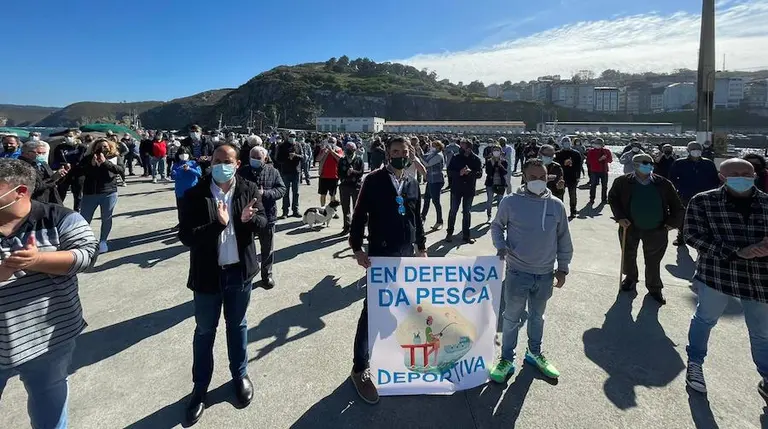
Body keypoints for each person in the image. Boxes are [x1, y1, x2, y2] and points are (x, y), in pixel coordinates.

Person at [0, 159, 98, 429]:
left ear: (20, 191)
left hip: (47, 338)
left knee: (49, 410)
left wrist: (37, 260)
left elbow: (87, 256)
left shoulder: (59, 217)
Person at [177, 144, 267, 425]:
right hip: (206, 277)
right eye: (216, 160)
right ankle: (200, 388)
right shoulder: (194, 194)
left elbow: (265, 223)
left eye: (226, 161)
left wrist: (250, 221)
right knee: (204, 331)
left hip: (239, 274)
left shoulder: (249, 189)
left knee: (237, 325)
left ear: (237, 164)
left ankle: (239, 375)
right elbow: (187, 237)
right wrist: (219, 224)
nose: (220, 165)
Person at [349, 136, 427, 405]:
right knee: (372, 312)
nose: (400, 155)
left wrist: (422, 245)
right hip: (381, 256)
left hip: (406, 255)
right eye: (395, 151)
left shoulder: (412, 181)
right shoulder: (373, 180)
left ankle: (390, 354)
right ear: (387, 154)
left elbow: (417, 216)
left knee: (401, 307)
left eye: (405, 151)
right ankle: (359, 368)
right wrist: (357, 248)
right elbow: (359, 215)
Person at [682, 158, 768, 400]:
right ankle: (695, 363)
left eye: (747, 173)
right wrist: (734, 251)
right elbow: (692, 235)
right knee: (705, 319)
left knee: (761, 331)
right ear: (722, 177)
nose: (742, 177)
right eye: (735, 173)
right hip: (718, 274)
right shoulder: (704, 201)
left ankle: (767, 376)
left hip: (760, 279)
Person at [489, 158, 573, 383]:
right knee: (511, 318)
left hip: (545, 274)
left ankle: (534, 353)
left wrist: (563, 268)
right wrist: (500, 245)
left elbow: (564, 239)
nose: (538, 181)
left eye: (543, 177)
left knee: (537, 317)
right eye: (533, 177)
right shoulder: (510, 202)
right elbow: (497, 225)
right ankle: (506, 358)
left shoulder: (556, 205)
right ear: (524, 177)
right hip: (517, 272)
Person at [607, 153, 684, 305]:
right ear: (635, 164)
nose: (648, 165)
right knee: (628, 255)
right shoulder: (622, 181)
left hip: (656, 228)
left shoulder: (663, 183)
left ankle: (654, 288)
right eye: (644, 162)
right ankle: (630, 279)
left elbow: (677, 206)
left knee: (653, 260)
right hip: (630, 227)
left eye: (650, 163)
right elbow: (613, 199)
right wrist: (620, 217)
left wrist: (671, 223)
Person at [238, 145, 286, 289]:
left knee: (267, 248)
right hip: (247, 217)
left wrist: (265, 193)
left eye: (258, 158)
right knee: (245, 247)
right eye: (253, 157)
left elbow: (281, 189)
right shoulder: (242, 171)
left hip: (268, 215)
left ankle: (267, 275)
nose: (255, 160)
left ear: (265, 158)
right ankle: (246, 274)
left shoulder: (273, 171)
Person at [69, 138, 124, 254]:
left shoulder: (114, 157)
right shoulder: (88, 158)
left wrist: (105, 163)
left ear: (110, 147)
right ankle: (81, 240)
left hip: (109, 192)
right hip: (90, 193)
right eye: (99, 147)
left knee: (106, 217)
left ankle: (103, 241)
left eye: (105, 146)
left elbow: (120, 170)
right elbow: (77, 172)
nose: (102, 149)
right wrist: (91, 165)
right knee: (85, 218)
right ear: (94, 148)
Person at [668, 141, 720, 246]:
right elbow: (672, 178)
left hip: (705, 195)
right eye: (693, 149)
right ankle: (681, 237)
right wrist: (679, 188)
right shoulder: (680, 163)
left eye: (698, 149)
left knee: (706, 217)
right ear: (688, 151)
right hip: (685, 194)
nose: (696, 151)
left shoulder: (708, 163)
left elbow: (715, 179)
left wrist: (712, 191)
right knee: (684, 216)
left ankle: (706, 238)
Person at [446, 139, 482, 244]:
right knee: (453, 211)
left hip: (469, 190)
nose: (460, 148)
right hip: (456, 188)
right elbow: (449, 172)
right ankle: (449, 233)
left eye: (462, 146)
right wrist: (459, 173)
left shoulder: (476, 159)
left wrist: (471, 173)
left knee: (466, 213)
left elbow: (479, 174)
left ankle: (466, 236)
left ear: (469, 148)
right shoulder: (456, 157)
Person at [18, 140, 65, 204]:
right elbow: (33, 187)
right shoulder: (21, 166)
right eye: (39, 153)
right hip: (35, 203)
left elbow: (53, 182)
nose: (42, 155)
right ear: (26, 153)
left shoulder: (42, 163)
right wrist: (52, 179)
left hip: (51, 201)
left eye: (44, 153)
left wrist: (60, 175)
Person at [53, 130, 87, 211]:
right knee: (61, 192)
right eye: (66, 136)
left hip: (78, 173)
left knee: (78, 194)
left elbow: (82, 160)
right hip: (65, 173)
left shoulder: (82, 147)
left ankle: (77, 210)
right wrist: (64, 164)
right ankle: (59, 209)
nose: (68, 138)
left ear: (75, 136)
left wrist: (74, 165)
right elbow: (57, 159)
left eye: (70, 136)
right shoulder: (60, 147)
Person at [171, 147, 203, 229]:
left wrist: (190, 169)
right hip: (180, 191)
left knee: (193, 209)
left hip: (192, 190)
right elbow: (173, 177)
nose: (183, 155)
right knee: (181, 209)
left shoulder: (194, 163)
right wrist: (176, 173)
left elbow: (199, 174)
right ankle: (182, 224)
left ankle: (193, 224)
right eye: (181, 154)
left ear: (189, 154)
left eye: (185, 153)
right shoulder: (176, 164)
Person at [337, 142, 364, 235]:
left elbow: (361, 172)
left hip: (356, 186)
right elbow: (339, 173)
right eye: (347, 149)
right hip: (344, 186)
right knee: (345, 208)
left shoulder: (359, 159)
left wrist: (353, 172)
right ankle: (346, 227)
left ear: (354, 150)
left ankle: (358, 229)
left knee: (357, 209)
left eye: (351, 149)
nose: (348, 151)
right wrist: (346, 175)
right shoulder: (342, 160)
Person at [275, 132, 304, 218]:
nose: (292, 138)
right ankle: (285, 211)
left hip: (296, 171)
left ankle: (295, 210)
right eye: (290, 136)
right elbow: (278, 159)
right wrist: (288, 157)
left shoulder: (298, 145)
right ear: (287, 137)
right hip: (285, 172)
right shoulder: (282, 146)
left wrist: (295, 156)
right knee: (285, 192)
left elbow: (303, 157)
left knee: (296, 192)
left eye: (294, 136)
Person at [554, 137, 584, 218]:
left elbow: (579, 166)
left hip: (572, 177)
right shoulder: (558, 154)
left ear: (570, 143)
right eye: (564, 142)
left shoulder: (576, 153)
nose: (566, 143)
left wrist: (578, 176)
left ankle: (573, 211)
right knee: (560, 195)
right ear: (561, 143)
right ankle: (560, 211)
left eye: (568, 142)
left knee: (572, 195)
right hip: (561, 177)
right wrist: (563, 164)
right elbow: (555, 165)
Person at [420, 140, 445, 230]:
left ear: (439, 146)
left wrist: (419, 155)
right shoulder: (432, 153)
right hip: (430, 179)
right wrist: (420, 152)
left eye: (434, 145)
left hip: (436, 181)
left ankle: (439, 221)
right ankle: (422, 217)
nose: (432, 147)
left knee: (436, 201)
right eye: (432, 145)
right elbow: (424, 157)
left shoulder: (439, 155)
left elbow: (427, 163)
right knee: (426, 199)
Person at [315, 136, 343, 216]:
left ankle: (333, 210)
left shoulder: (338, 150)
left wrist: (332, 151)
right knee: (323, 194)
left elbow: (340, 158)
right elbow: (318, 159)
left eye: (332, 142)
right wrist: (325, 152)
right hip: (323, 175)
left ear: (336, 142)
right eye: (329, 141)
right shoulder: (323, 150)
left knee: (333, 195)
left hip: (334, 176)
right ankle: (323, 210)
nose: (331, 143)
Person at [484, 144, 508, 222]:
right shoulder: (489, 161)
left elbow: (505, 172)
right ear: (492, 152)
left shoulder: (504, 161)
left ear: (501, 152)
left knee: (500, 202)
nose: (496, 152)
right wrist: (493, 164)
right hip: (490, 183)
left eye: (498, 150)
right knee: (489, 200)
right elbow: (488, 172)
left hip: (501, 183)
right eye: (494, 150)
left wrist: (500, 165)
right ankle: (489, 215)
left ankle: (499, 217)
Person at [586, 138, 612, 204]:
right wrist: (599, 160)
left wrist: (604, 159)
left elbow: (610, 160)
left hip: (604, 170)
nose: (598, 145)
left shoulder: (606, 151)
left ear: (602, 144)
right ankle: (592, 199)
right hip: (594, 170)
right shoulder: (591, 151)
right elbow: (589, 161)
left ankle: (604, 199)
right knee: (593, 185)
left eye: (599, 143)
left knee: (604, 186)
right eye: (596, 143)